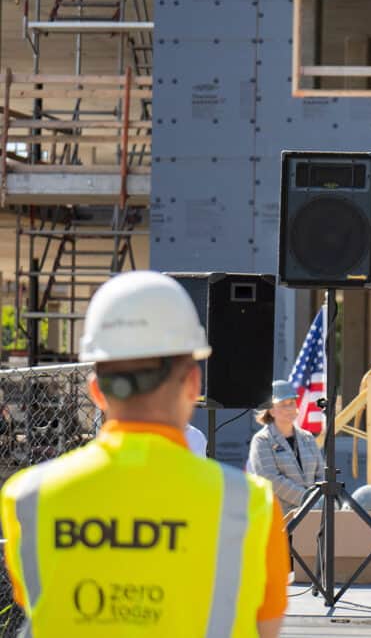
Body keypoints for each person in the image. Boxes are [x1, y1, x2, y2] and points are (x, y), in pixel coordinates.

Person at [0, 271, 287, 637]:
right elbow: (267, 626)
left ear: (96, 392)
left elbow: (35, 604)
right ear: (194, 383)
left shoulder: (27, 499)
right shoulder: (251, 507)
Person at [248, 378, 327, 515]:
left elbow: (321, 473)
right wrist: (306, 499)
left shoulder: (307, 438)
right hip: (281, 518)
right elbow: (270, 478)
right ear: (271, 411)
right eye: (284, 404)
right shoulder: (262, 440)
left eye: (292, 403)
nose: (290, 408)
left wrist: (316, 501)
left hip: (313, 515)